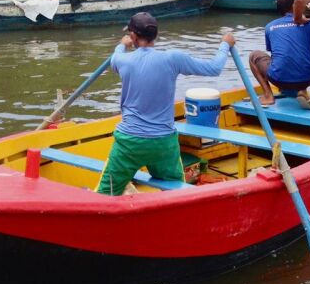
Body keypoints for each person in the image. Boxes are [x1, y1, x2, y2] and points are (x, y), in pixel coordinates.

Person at [97, 13, 235, 196]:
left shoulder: (122, 60)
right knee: (177, 193)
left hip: (129, 143)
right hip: (163, 144)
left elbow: (116, 56)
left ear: (133, 37)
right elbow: (214, 68)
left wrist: (122, 45)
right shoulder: (173, 58)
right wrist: (225, 43)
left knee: (105, 193)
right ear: (156, 35)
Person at [249, 0, 310, 108]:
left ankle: (268, 95)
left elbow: (277, 55)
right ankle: (302, 90)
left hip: (279, 79)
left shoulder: (269, 27)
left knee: (254, 56)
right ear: (295, 6)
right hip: (308, 79)